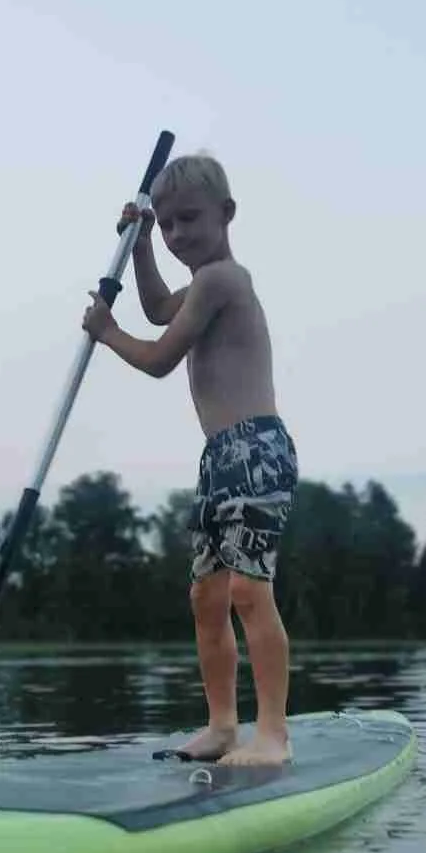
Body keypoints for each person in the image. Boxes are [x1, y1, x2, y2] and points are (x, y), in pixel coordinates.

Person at [81, 153, 298, 766]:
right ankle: (223, 726)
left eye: (189, 220)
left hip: (256, 451)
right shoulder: (199, 285)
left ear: (226, 215)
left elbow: (156, 356)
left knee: (251, 593)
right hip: (218, 457)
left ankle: (273, 736)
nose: (179, 234)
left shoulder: (223, 280)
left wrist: (105, 331)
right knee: (207, 596)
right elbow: (155, 308)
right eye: (169, 223)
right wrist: (142, 244)